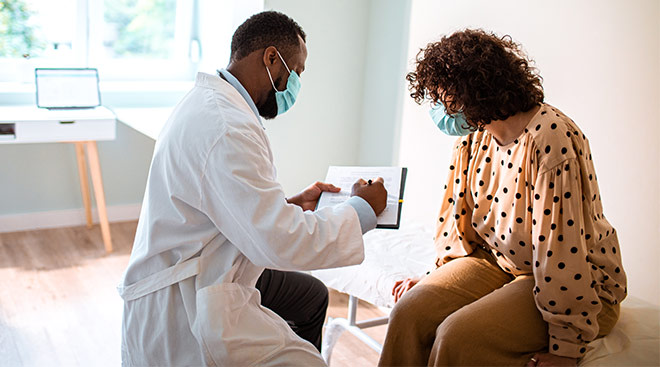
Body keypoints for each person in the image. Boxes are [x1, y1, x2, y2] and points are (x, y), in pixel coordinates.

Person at [118, 11, 387, 367]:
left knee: (310, 297)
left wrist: (290, 204)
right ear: (271, 59)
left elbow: (223, 201)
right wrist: (362, 209)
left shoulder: (214, 104)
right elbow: (280, 242)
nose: (296, 87)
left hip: (214, 258)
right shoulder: (227, 127)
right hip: (189, 294)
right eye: (297, 72)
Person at [379, 29, 627, 367]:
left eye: (442, 97)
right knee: (408, 313)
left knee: (458, 335)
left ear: (474, 90)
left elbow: (560, 250)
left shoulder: (551, 141)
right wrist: (434, 278)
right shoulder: (472, 138)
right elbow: (457, 226)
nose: (438, 108)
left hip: (572, 280)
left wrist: (566, 349)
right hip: (498, 263)